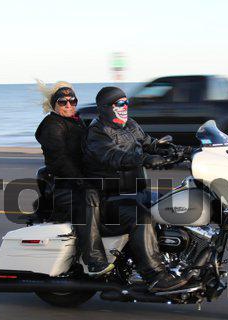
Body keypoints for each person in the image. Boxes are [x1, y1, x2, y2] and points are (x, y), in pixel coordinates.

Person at [82, 86, 191, 292]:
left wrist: (185, 151)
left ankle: (179, 259)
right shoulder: (97, 132)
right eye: (120, 103)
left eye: (126, 102)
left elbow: (150, 143)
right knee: (142, 218)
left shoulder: (130, 125)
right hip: (110, 198)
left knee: (174, 203)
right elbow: (114, 156)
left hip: (135, 192)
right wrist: (146, 159)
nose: (125, 107)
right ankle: (155, 275)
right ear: (106, 107)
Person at [35, 81, 114, 276]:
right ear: (54, 104)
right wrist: (82, 182)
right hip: (64, 186)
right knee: (90, 198)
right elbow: (59, 160)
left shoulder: (76, 122)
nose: (69, 105)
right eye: (63, 102)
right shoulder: (52, 126)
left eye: (73, 101)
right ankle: (94, 259)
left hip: (79, 180)